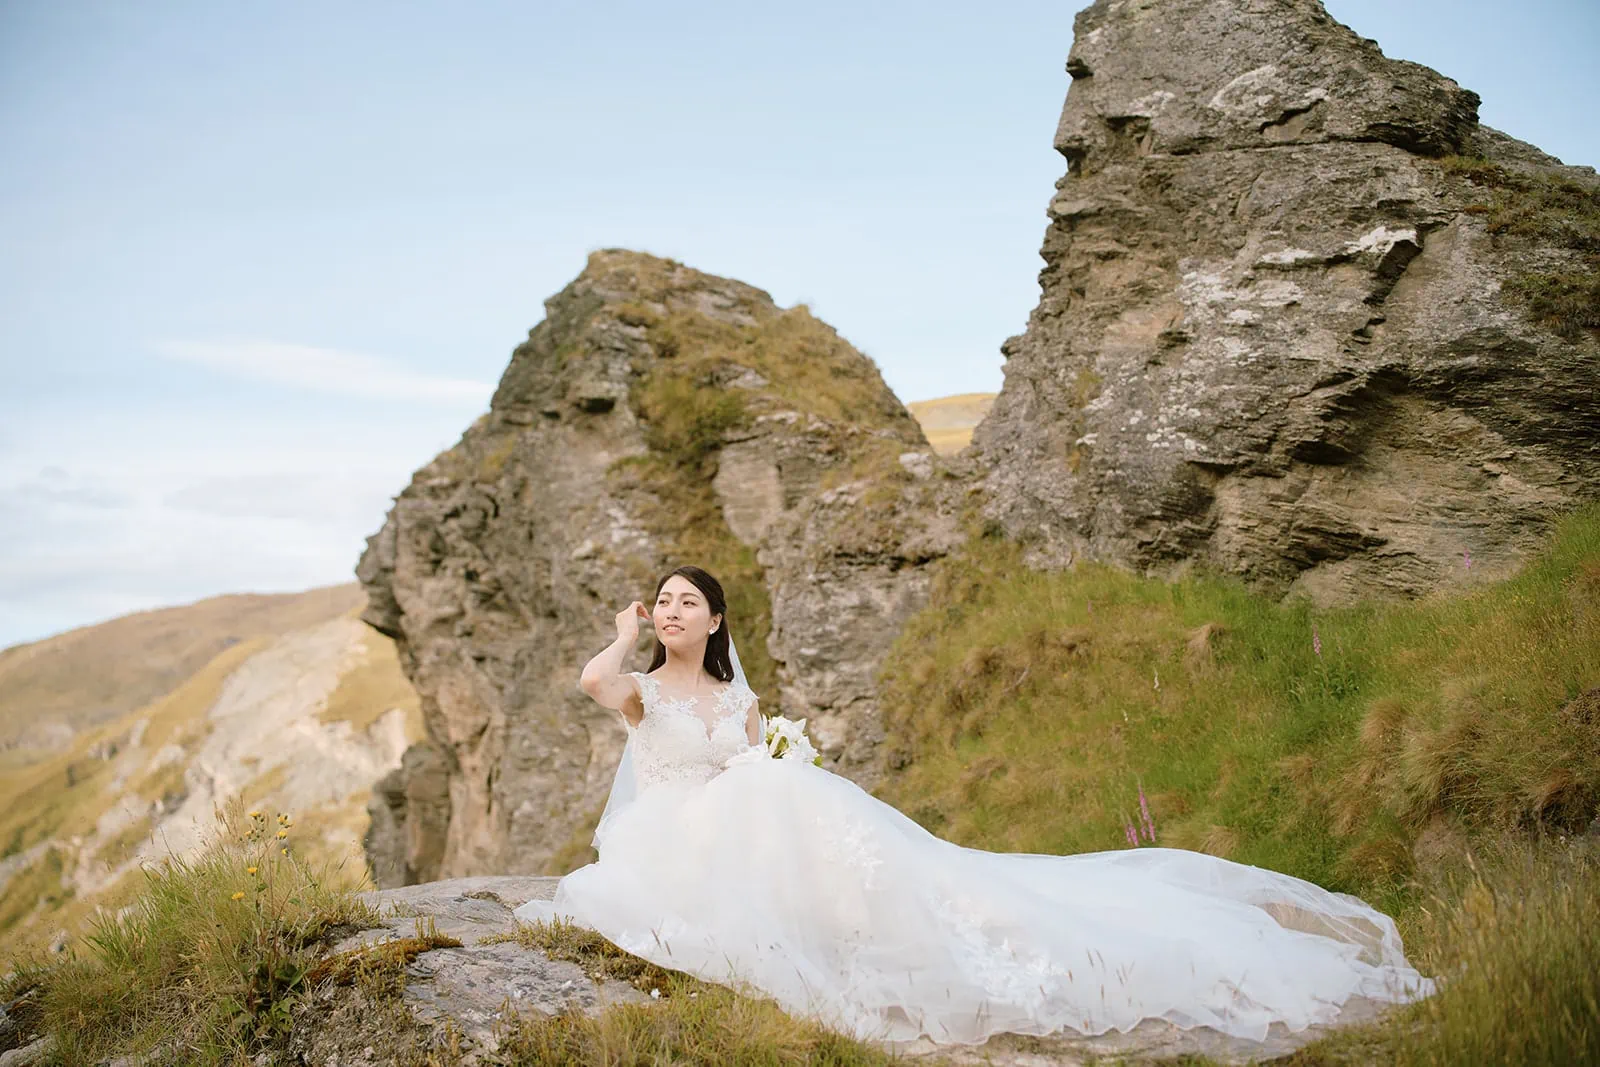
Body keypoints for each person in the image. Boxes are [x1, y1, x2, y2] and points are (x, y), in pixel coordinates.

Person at [514, 565, 1435, 1046]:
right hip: (676, 840)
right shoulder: (644, 690)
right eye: (663, 602)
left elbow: (753, 770)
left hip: (745, 832)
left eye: (686, 603)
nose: (671, 611)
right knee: (771, 793)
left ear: (717, 623)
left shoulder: (744, 704)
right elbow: (594, 678)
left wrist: (767, 770)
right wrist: (623, 629)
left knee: (783, 789)